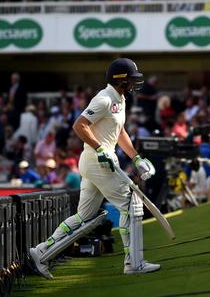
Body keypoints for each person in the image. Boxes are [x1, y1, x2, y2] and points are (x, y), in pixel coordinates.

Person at [29, 58, 159, 278]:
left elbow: (119, 132)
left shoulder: (120, 99)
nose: (134, 84)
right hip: (97, 160)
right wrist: (100, 148)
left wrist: (136, 158)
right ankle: (133, 263)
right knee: (131, 204)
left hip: (98, 161)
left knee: (85, 217)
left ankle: (41, 252)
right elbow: (79, 125)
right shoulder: (104, 99)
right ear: (120, 80)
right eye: (130, 80)